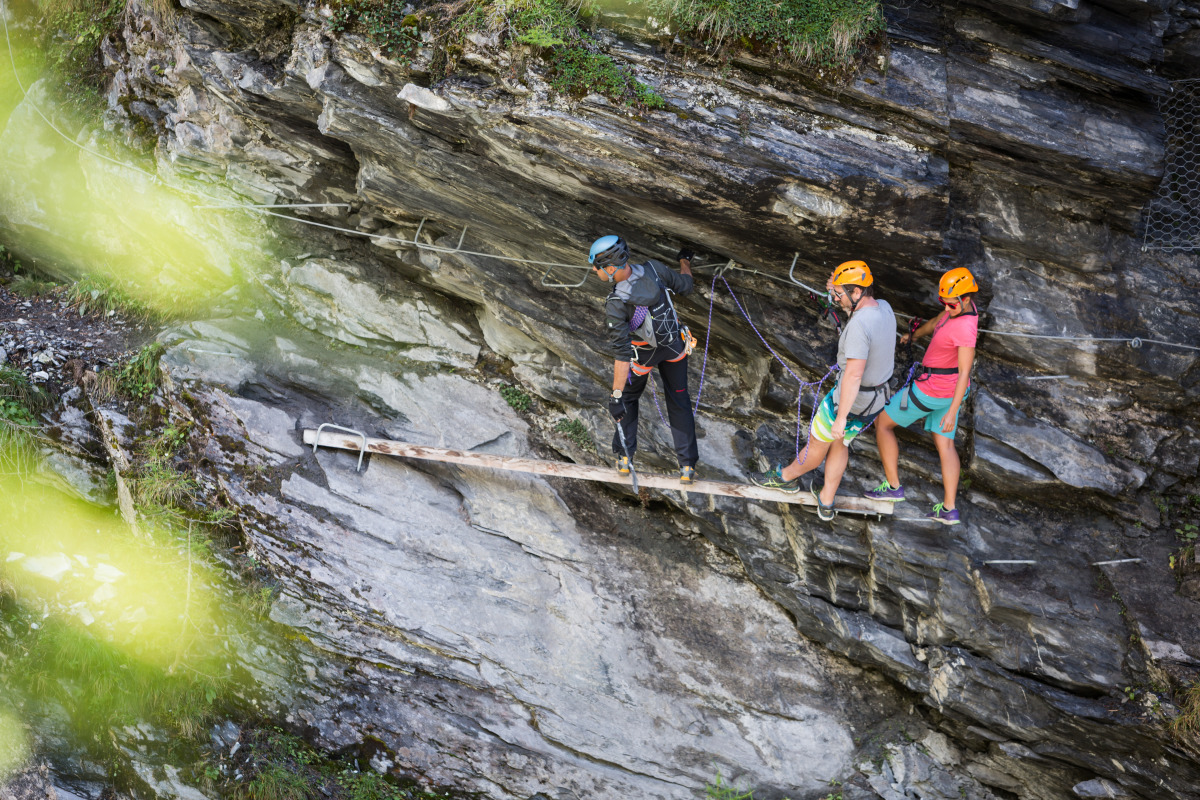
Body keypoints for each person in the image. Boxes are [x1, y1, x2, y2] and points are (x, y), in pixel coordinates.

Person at [751, 260, 896, 520]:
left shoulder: (860, 326)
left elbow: (853, 374)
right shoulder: (884, 309)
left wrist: (840, 416)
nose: (835, 299)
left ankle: (785, 479)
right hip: (875, 401)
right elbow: (862, 318)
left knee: (818, 445)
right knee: (840, 442)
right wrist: (837, 289)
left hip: (851, 399)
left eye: (839, 294)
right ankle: (826, 500)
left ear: (856, 292)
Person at [864, 267, 979, 525]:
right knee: (945, 444)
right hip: (946, 391)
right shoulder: (958, 310)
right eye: (944, 303)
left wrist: (951, 412)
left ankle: (894, 487)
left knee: (882, 423)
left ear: (967, 298)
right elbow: (935, 322)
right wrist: (913, 335)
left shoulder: (965, 330)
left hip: (934, 390)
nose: (947, 308)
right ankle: (949, 508)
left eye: (951, 304)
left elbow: (964, 373)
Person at [590, 235, 699, 484]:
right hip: (674, 347)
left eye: (595, 267)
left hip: (643, 355)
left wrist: (616, 396)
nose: (594, 271)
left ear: (609, 268)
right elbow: (686, 285)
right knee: (679, 400)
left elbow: (622, 353)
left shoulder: (616, 303)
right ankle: (687, 466)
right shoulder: (655, 269)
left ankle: (625, 457)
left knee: (628, 398)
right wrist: (684, 261)